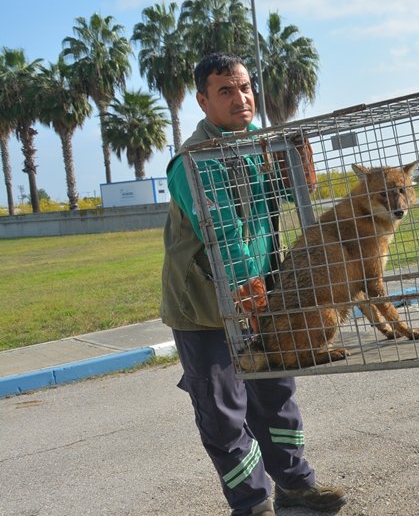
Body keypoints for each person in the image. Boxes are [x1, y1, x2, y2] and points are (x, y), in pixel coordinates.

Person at [160, 53, 346, 516]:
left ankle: (297, 488)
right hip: (206, 307)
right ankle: (252, 503)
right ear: (203, 101)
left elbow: (290, 199)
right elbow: (222, 233)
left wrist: (300, 171)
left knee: (276, 396)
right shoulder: (191, 162)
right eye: (225, 90)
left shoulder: (258, 146)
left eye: (244, 87)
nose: (240, 98)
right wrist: (249, 284)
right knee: (223, 411)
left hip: (264, 297)